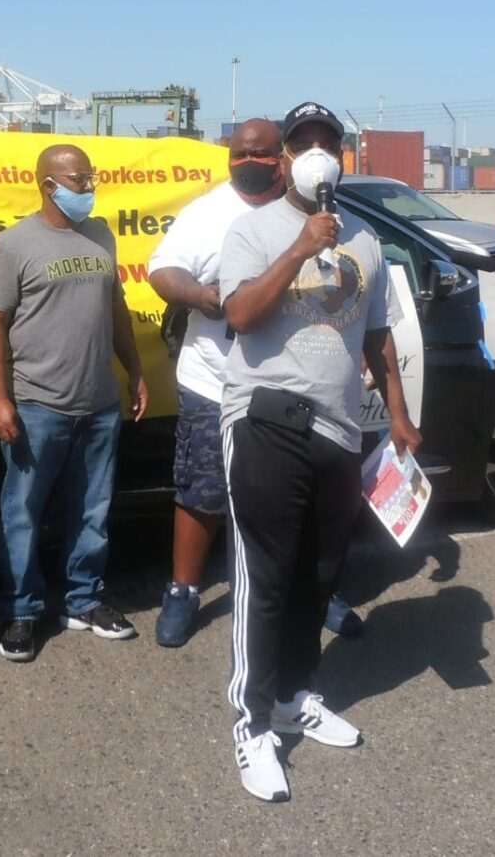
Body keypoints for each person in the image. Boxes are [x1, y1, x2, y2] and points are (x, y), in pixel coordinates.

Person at [218, 102, 421, 802]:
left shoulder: (365, 239)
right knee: (267, 574)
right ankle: (252, 724)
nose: (314, 153)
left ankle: (293, 695)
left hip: (339, 426)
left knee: (319, 572)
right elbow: (240, 316)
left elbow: (377, 335)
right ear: (280, 160)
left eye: (326, 143)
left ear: (344, 156)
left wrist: (397, 414)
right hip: (267, 415)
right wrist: (301, 247)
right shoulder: (252, 229)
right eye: (300, 142)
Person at [147, 122, 365, 648]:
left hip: (299, 392)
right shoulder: (210, 214)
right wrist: (203, 295)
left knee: (303, 502)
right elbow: (161, 271)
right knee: (202, 492)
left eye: (262, 154)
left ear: (284, 160)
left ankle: (314, 593)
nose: (250, 161)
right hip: (216, 381)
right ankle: (184, 591)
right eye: (240, 153)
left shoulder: (325, 214)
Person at [0, 144, 150, 664]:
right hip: (37, 407)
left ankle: (84, 601)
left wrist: (136, 369)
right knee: (23, 514)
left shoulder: (100, 235)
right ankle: (23, 612)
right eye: (80, 179)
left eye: (91, 177)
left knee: (93, 511)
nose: (89, 187)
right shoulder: (13, 246)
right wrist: (0, 400)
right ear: (49, 185)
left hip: (98, 404)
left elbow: (115, 307)